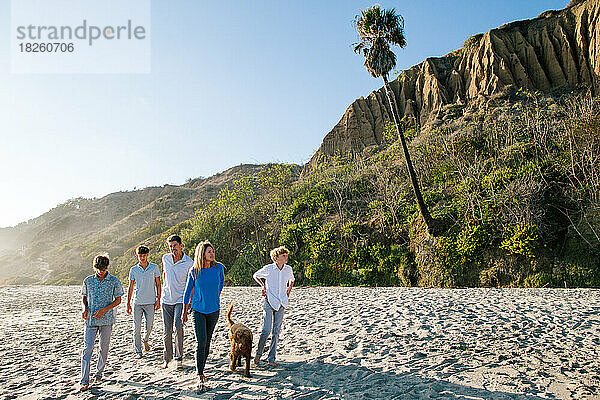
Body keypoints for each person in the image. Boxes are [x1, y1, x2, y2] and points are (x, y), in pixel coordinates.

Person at [183, 240, 225, 390]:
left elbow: (221, 283)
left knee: (207, 342)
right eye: (209, 251)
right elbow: (187, 292)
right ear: (202, 254)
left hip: (214, 310)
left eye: (213, 251)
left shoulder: (219, 268)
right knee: (200, 342)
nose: (212, 253)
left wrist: (214, 296)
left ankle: (203, 367)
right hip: (198, 310)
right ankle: (199, 373)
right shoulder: (194, 271)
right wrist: (184, 312)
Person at [80, 254, 124, 391]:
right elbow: (84, 298)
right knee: (87, 349)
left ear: (107, 267)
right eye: (99, 269)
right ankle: (84, 380)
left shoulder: (114, 281)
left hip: (107, 320)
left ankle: (98, 373)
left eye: (103, 269)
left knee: (103, 349)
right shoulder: (88, 281)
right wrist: (84, 309)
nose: (101, 271)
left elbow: (118, 300)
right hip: (91, 320)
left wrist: (104, 310)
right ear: (95, 268)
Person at [253, 246, 295, 367]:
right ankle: (258, 354)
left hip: (282, 302)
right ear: (276, 258)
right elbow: (256, 275)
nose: (286, 258)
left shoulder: (288, 269)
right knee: (266, 330)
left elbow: (292, 279)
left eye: (286, 255)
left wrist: (289, 289)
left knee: (276, 332)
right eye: (283, 256)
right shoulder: (269, 268)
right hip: (269, 301)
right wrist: (262, 286)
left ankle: (271, 358)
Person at [161, 234, 193, 369]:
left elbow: (191, 283)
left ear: (181, 246)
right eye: (170, 246)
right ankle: (167, 359)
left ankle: (179, 358)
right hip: (166, 299)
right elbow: (164, 274)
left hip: (181, 299)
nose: (172, 249)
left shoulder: (189, 262)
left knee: (178, 327)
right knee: (166, 330)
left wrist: (189, 302)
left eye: (175, 246)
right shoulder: (165, 258)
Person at [126, 245, 161, 359]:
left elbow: (158, 284)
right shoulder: (133, 270)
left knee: (149, 326)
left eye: (144, 255)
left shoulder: (154, 267)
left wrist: (158, 299)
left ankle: (145, 340)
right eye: (140, 256)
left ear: (147, 255)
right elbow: (130, 287)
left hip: (150, 301)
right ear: (137, 256)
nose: (142, 258)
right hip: (137, 302)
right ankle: (138, 351)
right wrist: (128, 303)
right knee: (136, 328)